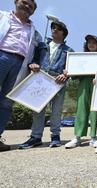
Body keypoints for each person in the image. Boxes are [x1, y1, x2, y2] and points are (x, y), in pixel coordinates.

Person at [18, 20, 74, 149]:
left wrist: (66, 75)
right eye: (53, 27)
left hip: (58, 81)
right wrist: (32, 64)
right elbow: (32, 59)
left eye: (58, 28)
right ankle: (36, 136)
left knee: (56, 110)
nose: (55, 30)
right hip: (41, 78)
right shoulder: (42, 46)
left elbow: (71, 68)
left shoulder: (69, 50)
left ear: (64, 34)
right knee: (37, 108)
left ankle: (55, 136)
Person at [0, 0, 39, 152]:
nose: (27, 6)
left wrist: (34, 63)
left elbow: (38, 50)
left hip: (20, 63)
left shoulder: (33, 29)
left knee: (6, 102)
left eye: (31, 6)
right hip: (2, 55)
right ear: (16, 2)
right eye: (25, 2)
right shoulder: (3, 16)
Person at [65, 35, 97, 149]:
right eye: (89, 42)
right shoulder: (80, 58)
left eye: (94, 43)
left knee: (94, 110)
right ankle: (77, 137)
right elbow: (74, 75)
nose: (91, 44)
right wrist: (69, 70)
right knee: (81, 108)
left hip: (96, 84)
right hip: (83, 83)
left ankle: (93, 137)